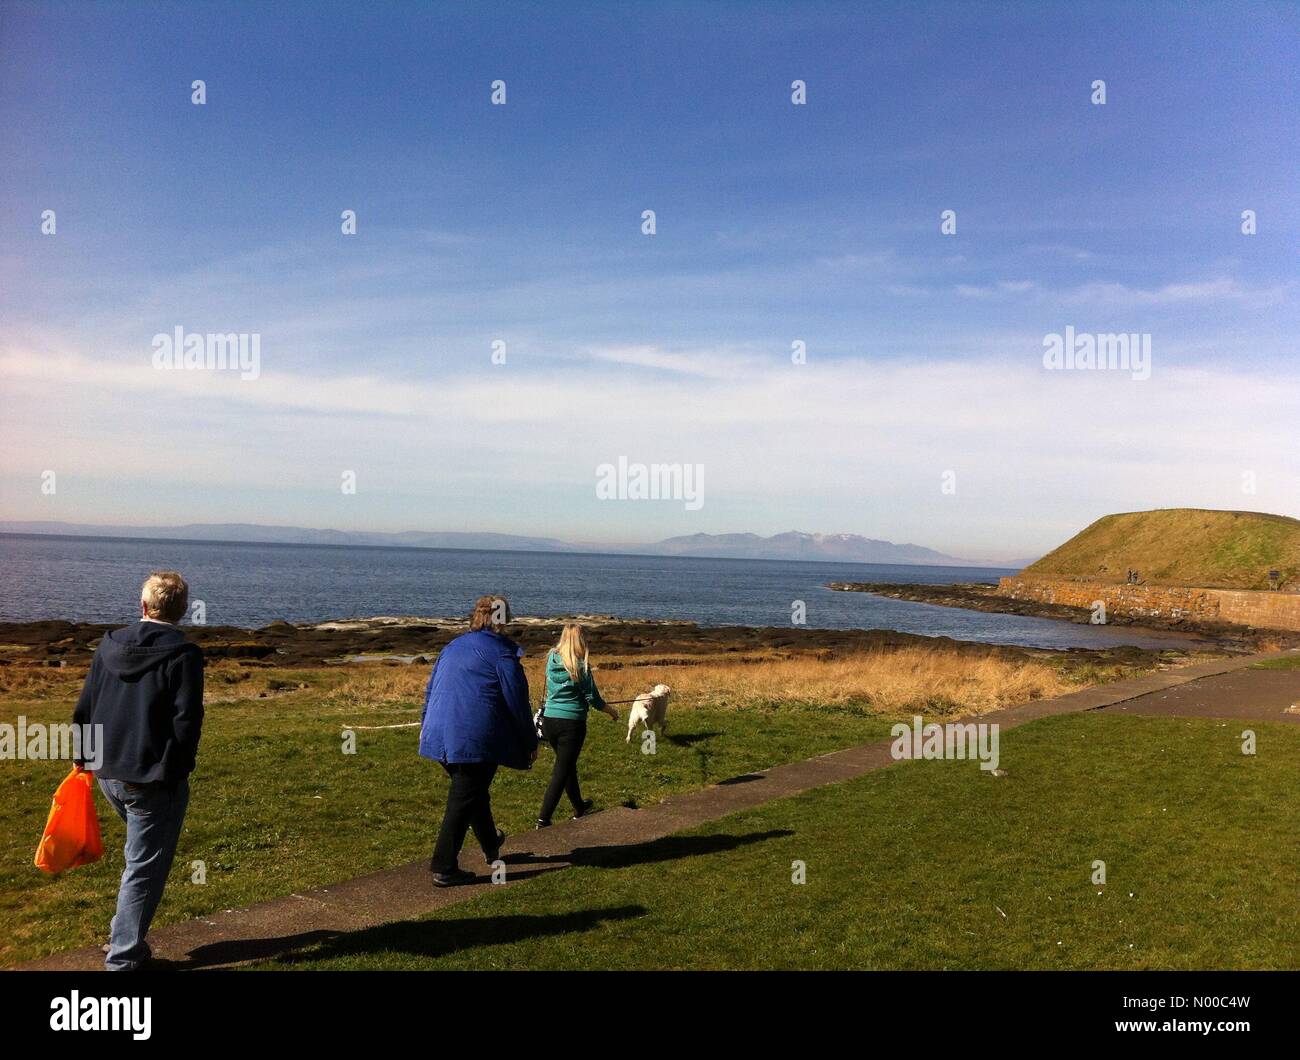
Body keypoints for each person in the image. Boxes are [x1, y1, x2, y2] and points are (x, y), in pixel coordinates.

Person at [72, 570, 204, 971]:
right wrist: (177, 771)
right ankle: (123, 958)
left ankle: (125, 941)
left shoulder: (108, 645)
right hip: (152, 777)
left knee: (139, 862)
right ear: (182, 612)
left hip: (108, 770)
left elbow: (87, 702)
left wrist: (81, 754)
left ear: (143, 606)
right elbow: (186, 721)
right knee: (144, 868)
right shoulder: (184, 655)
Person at [419, 594, 538, 887]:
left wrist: (426, 726)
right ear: (504, 619)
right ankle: (444, 866)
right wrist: (530, 740)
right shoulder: (502, 653)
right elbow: (517, 702)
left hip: (440, 734)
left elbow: (430, 690)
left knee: (472, 793)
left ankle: (490, 844)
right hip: (473, 738)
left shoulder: (452, 647)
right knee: (463, 799)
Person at [535, 623, 617, 829]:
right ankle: (543, 819)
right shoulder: (580, 666)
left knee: (566, 764)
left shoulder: (551, 659)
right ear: (580, 641)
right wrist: (612, 712)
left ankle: (579, 806)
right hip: (572, 724)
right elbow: (594, 700)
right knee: (561, 771)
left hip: (550, 722)